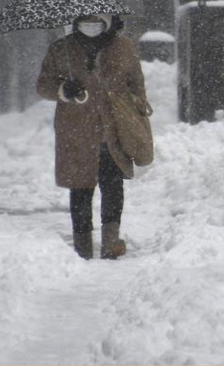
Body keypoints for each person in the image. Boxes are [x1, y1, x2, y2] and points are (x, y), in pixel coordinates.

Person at [36, 13, 148, 260]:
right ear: (75, 22)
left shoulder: (123, 46)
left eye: (97, 20)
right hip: (75, 130)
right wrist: (64, 90)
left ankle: (110, 241)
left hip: (113, 128)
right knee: (80, 187)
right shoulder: (61, 49)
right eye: (85, 21)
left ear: (108, 20)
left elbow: (136, 84)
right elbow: (43, 85)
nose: (92, 25)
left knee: (112, 184)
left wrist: (134, 109)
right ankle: (82, 245)